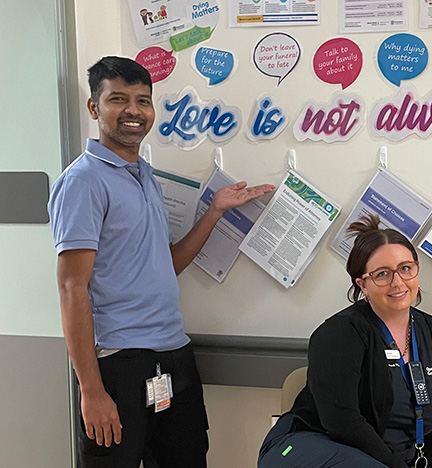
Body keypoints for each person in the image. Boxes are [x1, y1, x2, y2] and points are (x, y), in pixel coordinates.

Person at [48, 56, 274, 468]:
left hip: (173, 354)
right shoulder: (83, 182)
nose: (134, 111)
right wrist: (92, 391)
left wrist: (215, 212)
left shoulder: (146, 176)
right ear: (94, 108)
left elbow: (164, 265)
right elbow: (70, 288)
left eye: (143, 100)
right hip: (119, 362)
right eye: (119, 99)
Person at [259, 215, 432, 468]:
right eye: (382, 274)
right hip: (314, 447)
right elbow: (342, 422)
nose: (398, 282)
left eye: (406, 268)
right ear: (362, 285)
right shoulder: (341, 333)